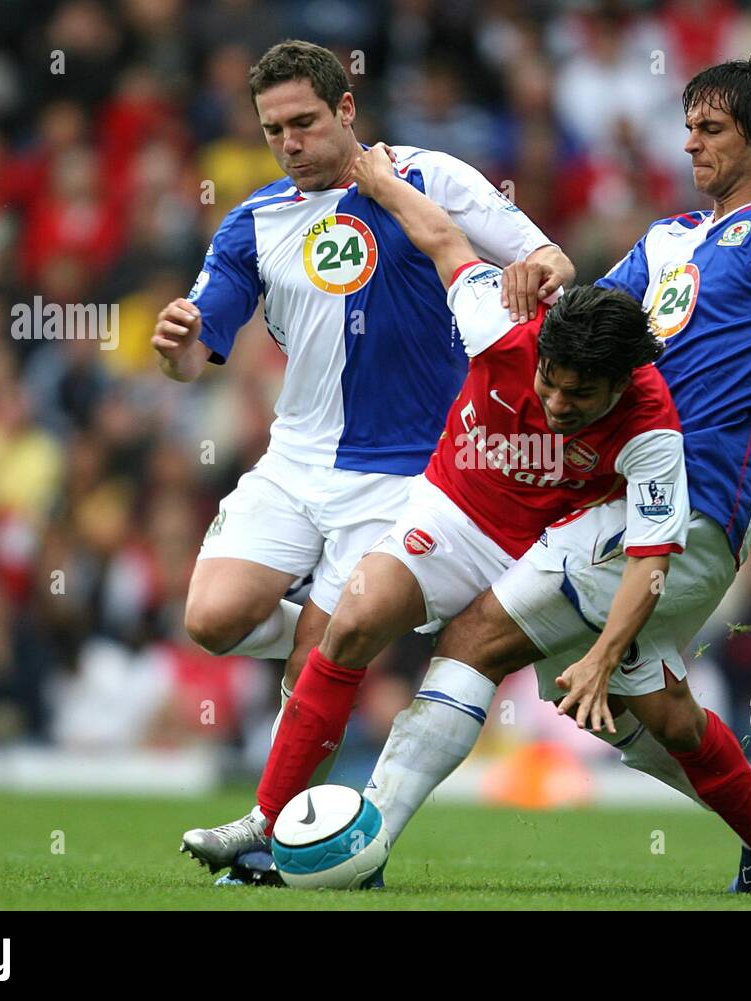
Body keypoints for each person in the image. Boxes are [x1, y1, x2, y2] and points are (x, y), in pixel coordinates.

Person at [362, 59, 751, 894]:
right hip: (618, 487)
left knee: (476, 638)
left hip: (698, 495)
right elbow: (589, 328)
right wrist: (540, 277)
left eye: (713, 129)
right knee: (634, 703)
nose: (689, 142)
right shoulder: (668, 238)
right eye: (689, 125)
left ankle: (361, 842)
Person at [155, 40, 571, 869]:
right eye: (274, 129)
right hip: (295, 458)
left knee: (322, 644)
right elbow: (198, 346)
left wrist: (536, 276)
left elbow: (548, 257)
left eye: (305, 122)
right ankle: (337, 645)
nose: (290, 143)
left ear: (347, 111)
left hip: (407, 469)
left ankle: (278, 835)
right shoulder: (255, 221)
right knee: (211, 618)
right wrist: (176, 346)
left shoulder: (432, 178)